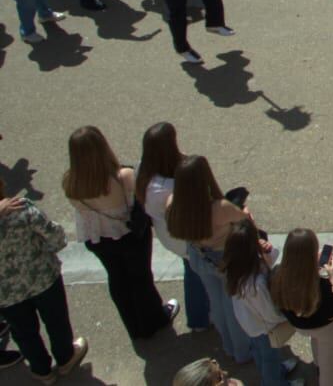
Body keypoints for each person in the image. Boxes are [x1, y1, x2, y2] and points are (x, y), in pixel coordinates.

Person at [62, 125, 177, 341]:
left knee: (117, 279)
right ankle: (154, 320)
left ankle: (134, 328)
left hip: (97, 238)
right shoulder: (122, 176)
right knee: (141, 278)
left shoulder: (70, 182)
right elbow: (136, 201)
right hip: (129, 236)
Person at [166, 154, 254, 364]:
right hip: (225, 259)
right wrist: (245, 210)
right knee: (233, 307)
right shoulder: (219, 208)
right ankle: (242, 351)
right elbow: (245, 221)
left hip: (198, 256)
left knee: (215, 302)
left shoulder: (172, 204)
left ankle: (227, 346)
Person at [0, 177, 89, 382]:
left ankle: (41, 370)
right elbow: (55, 237)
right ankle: (66, 358)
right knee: (56, 321)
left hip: (6, 294)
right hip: (44, 279)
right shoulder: (20, 209)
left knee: (24, 333)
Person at [135, 122, 210, 334]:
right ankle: (200, 319)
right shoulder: (172, 187)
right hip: (186, 238)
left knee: (192, 271)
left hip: (167, 235)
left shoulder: (143, 170)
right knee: (198, 275)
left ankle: (199, 319)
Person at [270, 227, 333, 386]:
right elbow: (332, 309)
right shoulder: (321, 287)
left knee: (316, 341)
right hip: (324, 327)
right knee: (329, 365)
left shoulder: (276, 275)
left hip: (299, 325)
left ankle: (317, 363)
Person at [221, 217, 296, 386]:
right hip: (263, 329)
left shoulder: (235, 267)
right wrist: (287, 317)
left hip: (251, 325)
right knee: (269, 358)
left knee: (260, 355)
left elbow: (272, 259)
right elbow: (270, 315)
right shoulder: (254, 284)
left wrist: (267, 251)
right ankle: (276, 382)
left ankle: (277, 372)